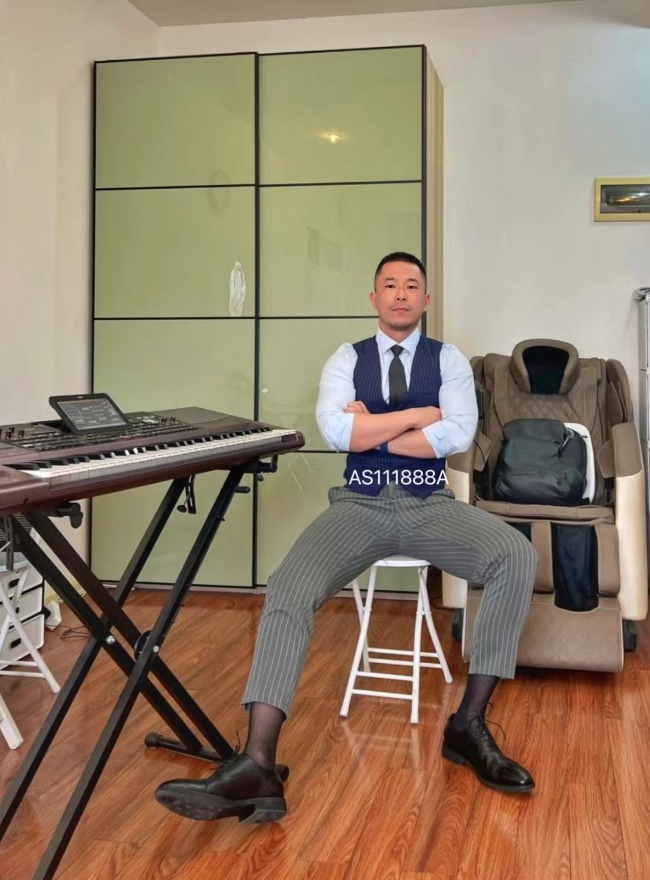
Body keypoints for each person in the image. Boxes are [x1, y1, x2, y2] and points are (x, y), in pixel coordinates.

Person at [155, 252, 538, 824]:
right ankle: (257, 762)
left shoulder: (449, 359)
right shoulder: (346, 357)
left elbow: (457, 435)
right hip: (358, 505)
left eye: (412, 285)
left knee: (516, 554)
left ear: (426, 299)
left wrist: (372, 429)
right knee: (287, 585)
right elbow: (336, 432)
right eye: (390, 285)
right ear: (374, 298)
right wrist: (417, 417)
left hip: (429, 503)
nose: (401, 293)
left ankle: (468, 725)